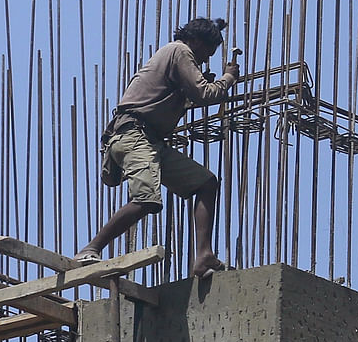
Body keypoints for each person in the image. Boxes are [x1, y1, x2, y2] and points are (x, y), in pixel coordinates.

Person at [76, 16, 239, 277]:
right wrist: (228, 78)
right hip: (134, 135)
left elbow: (185, 96)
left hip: (149, 140)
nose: (206, 60)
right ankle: (90, 249)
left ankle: (203, 256)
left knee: (206, 182)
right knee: (146, 199)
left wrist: (194, 88)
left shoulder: (174, 57)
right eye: (206, 53)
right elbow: (206, 94)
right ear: (195, 40)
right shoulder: (179, 51)